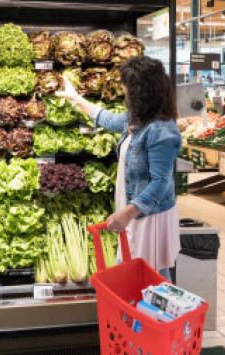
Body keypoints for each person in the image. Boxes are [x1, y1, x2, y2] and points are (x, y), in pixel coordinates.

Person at [57, 56, 181, 282]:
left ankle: (152, 316)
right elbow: (108, 119)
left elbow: (160, 183)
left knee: (147, 276)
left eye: (126, 85)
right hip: (135, 211)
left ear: (141, 91)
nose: (123, 90)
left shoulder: (162, 131)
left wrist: (127, 213)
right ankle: (152, 315)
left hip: (149, 217)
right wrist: (76, 98)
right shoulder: (137, 119)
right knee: (148, 276)